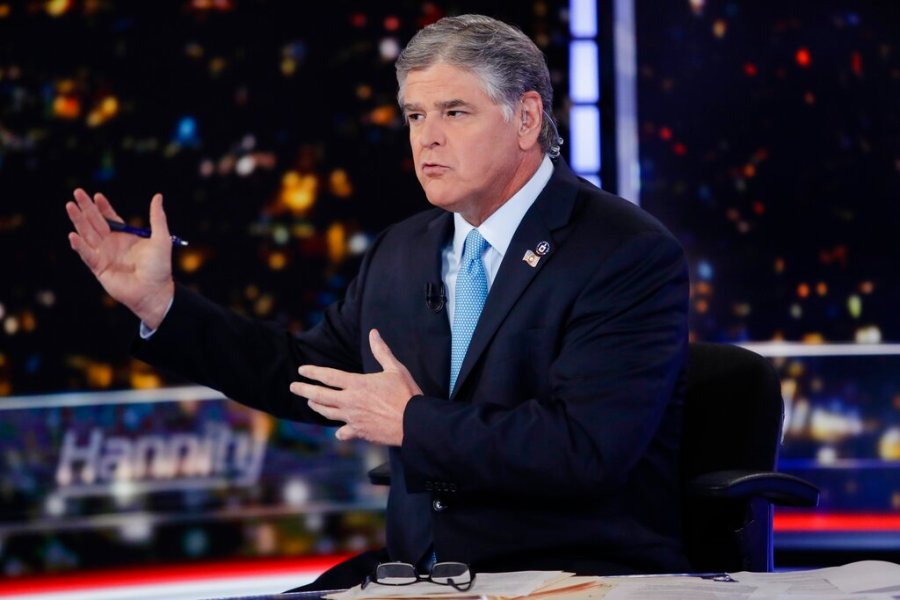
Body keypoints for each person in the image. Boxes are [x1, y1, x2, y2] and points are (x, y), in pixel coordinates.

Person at [66, 13, 691, 589]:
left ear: (527, 119)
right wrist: (164, 308)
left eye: (454, 112)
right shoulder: (405, 248)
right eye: (415, 116)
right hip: (423, 575)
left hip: (575, 573)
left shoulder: (624, 253)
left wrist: (412, 422)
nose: (428, 139)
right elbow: (304, 374)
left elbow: (585, 451)